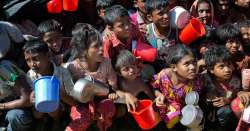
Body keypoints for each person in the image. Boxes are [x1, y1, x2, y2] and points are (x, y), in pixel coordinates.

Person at [64, 23, 119, 131]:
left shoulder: (106, 63)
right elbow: (69, 92)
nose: (101, 49)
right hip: (81, 102)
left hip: (102, 98)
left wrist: (113, 92)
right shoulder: (72, 68)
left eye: (101, 44)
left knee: (108, 107)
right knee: (81, 118)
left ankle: (102, 125)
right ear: (84, 50)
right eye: (95, 46)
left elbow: (113, 86)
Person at [23, 39, 76, 130]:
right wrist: (32, 98)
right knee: (37, 113)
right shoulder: (30, 75)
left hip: (60, 107)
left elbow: (74, 102)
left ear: (48, 56)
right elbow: (30, 99)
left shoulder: (62, 72)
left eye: (35, 59)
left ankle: (57, 121)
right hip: (40, 107)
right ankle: (42, 121)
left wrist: (61, 94)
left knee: (53, 108)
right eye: (28, 60)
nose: (32, 64)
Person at [151, 44, 201, 129]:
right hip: (162, 108)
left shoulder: (195, 82)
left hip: (181, 113)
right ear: (174, 67)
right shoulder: (164, 75)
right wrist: (159, 95)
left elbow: (193, 101)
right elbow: (154, 86)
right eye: (186, 64)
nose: (192, 67)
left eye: (194, 62)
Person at [0, 22, 33, 130]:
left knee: (15, 116)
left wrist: (2, 106)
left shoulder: (5, 70)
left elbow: (27, 99)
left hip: (21, 109)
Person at [201, 46, 238, 130]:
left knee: (225, 111)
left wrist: (227, 100)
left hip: (224, 115)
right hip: (208, 113)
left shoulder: (234, 81)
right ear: (211, 70)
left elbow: (230, 94)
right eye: (221, 66)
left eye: (229, 64)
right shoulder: (204, 78)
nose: (227, 69)